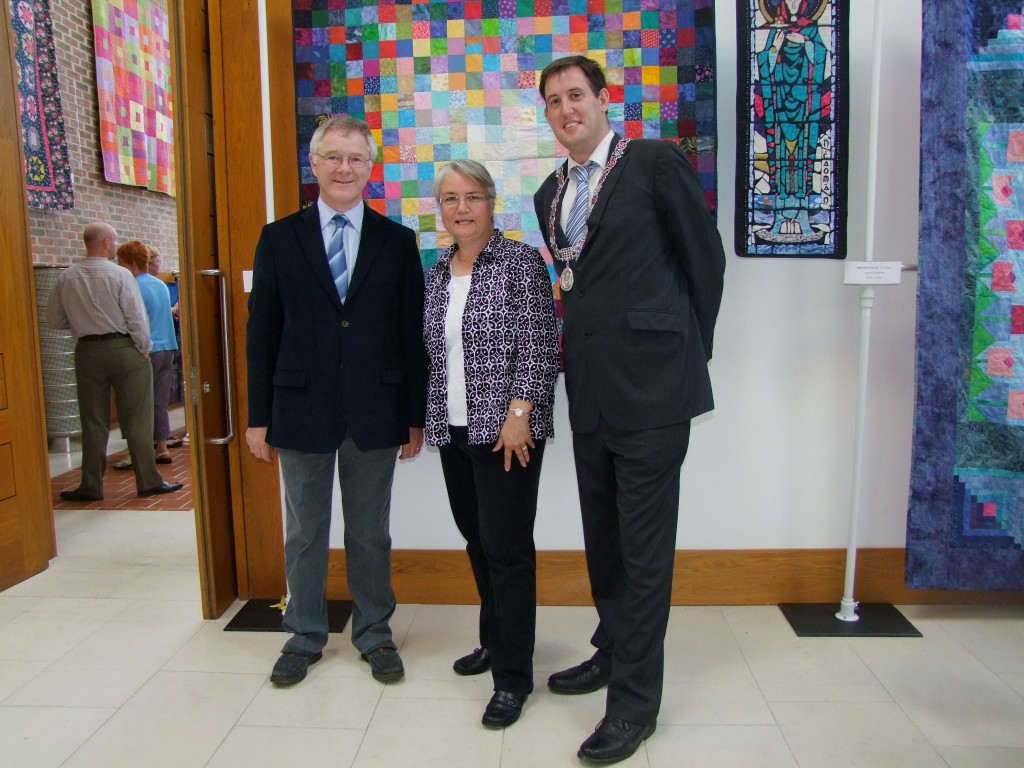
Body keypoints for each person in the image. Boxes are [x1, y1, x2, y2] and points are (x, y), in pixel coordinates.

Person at [533, 56, 726, 764]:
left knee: (644, 558)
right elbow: (573, 284)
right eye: (553, 100)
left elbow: (705, 262)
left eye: (576, 94)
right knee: (606, 545)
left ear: (604, 99)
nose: (565, 108)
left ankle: (635, 707)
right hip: (589, 393)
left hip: (653, 393)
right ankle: (611, 650)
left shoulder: (652, 162)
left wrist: (683, 350)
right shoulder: (547, 192)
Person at [245, 115, 428, 687]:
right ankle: (303, 634)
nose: (344, 168)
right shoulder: (278, 238)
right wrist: (257, 417)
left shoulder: (398, 242)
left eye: (355, 159)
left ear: (370, 169)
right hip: (299, 410)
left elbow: (410, 333)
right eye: (333, 157)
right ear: (314, 165)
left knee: (369, 532)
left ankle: (374, 633)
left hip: (376, 411)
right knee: (303, 531)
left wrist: (415, 417)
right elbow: (262, 333)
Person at [422, 160, 559, 727]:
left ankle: (513, 677)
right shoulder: (435, 273)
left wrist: (520, 413)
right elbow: (434, 355)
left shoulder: (521, 263)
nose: (461, 208)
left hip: (507, 431)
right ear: (441, 210)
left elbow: (542, 348)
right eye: (450, 199)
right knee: (478, 541)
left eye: (472, 196)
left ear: (491, 202)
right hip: (453, 429)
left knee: (507, 551)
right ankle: (494, 639)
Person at [46, 222, 184, 501]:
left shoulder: (66, 277)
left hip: (87, 350)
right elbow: (136, 317)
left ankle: (91, 485)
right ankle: (148, 480)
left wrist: (82, 324)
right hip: (125, 349)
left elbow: (54, 320)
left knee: (93, 420)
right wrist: (143, 348)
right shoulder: (120, 275)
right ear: (107, 243)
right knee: (137, 416)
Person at [111, 241, 178, 468]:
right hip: (168, 347)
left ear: (130, 263)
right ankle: (162, 447)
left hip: (146, 350)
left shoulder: (132, 285)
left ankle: (136, 454)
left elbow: (134, 320)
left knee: (135, 404)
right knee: (159, 401)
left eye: (120, 262)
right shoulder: (159, 284)